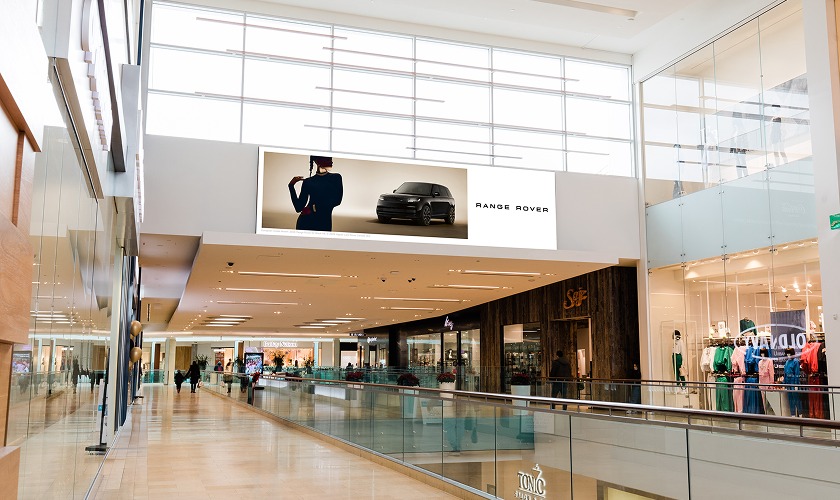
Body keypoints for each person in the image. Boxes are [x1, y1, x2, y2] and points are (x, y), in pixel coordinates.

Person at [288, 155, 343, 231]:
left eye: (331, 159)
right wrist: (291, 186)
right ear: (317, 161)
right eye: (327, 159)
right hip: (305, 222)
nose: (331, 161)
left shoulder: (336, 178)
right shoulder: (308, 181)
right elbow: (298, 207)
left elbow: (337, 200)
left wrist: (314, 207)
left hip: (324, 222)